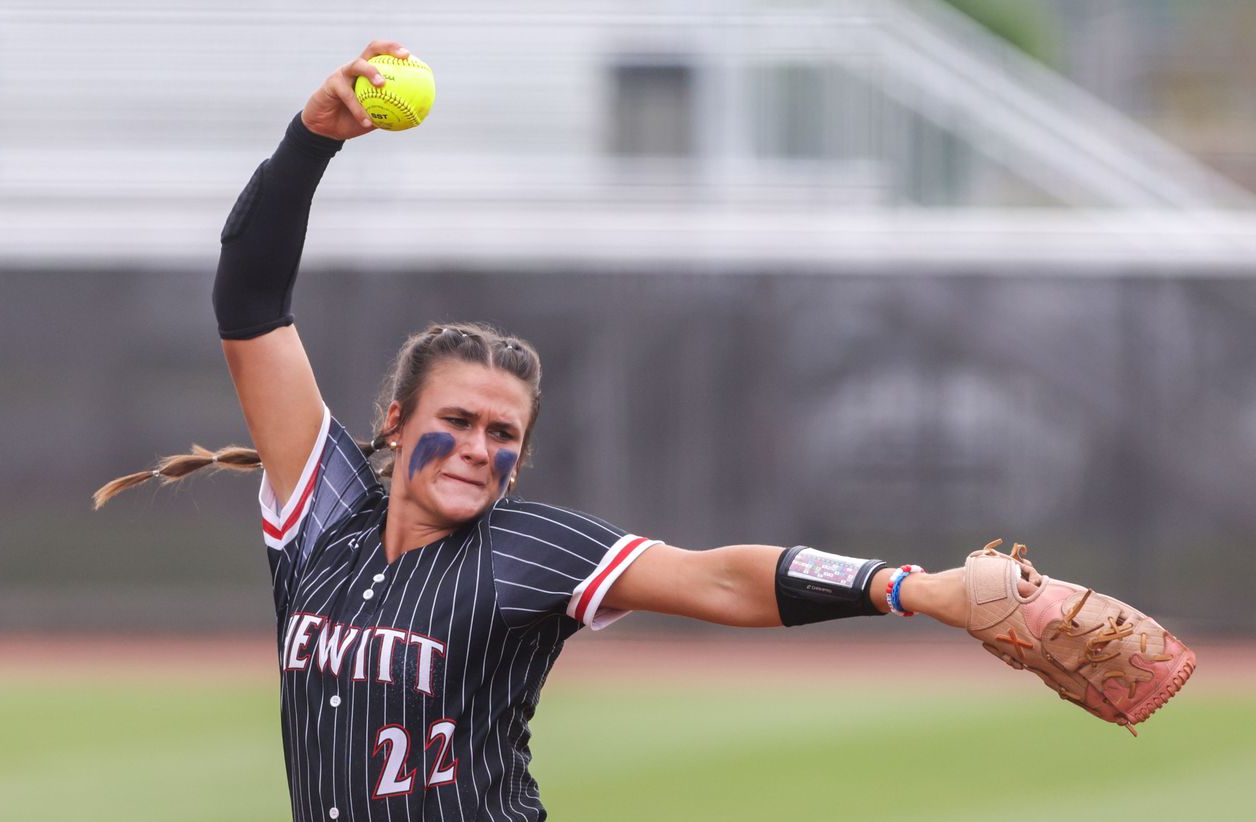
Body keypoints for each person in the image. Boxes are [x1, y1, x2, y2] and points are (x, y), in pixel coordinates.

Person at [94, 40, 1191, 821]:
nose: (482, 447)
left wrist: (915, 590)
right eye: (458, 421)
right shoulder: (318, 511)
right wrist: (308, 141)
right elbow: (248, 304)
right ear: (395, 422)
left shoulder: (532, 552)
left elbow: (718, 579)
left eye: (504, 432)